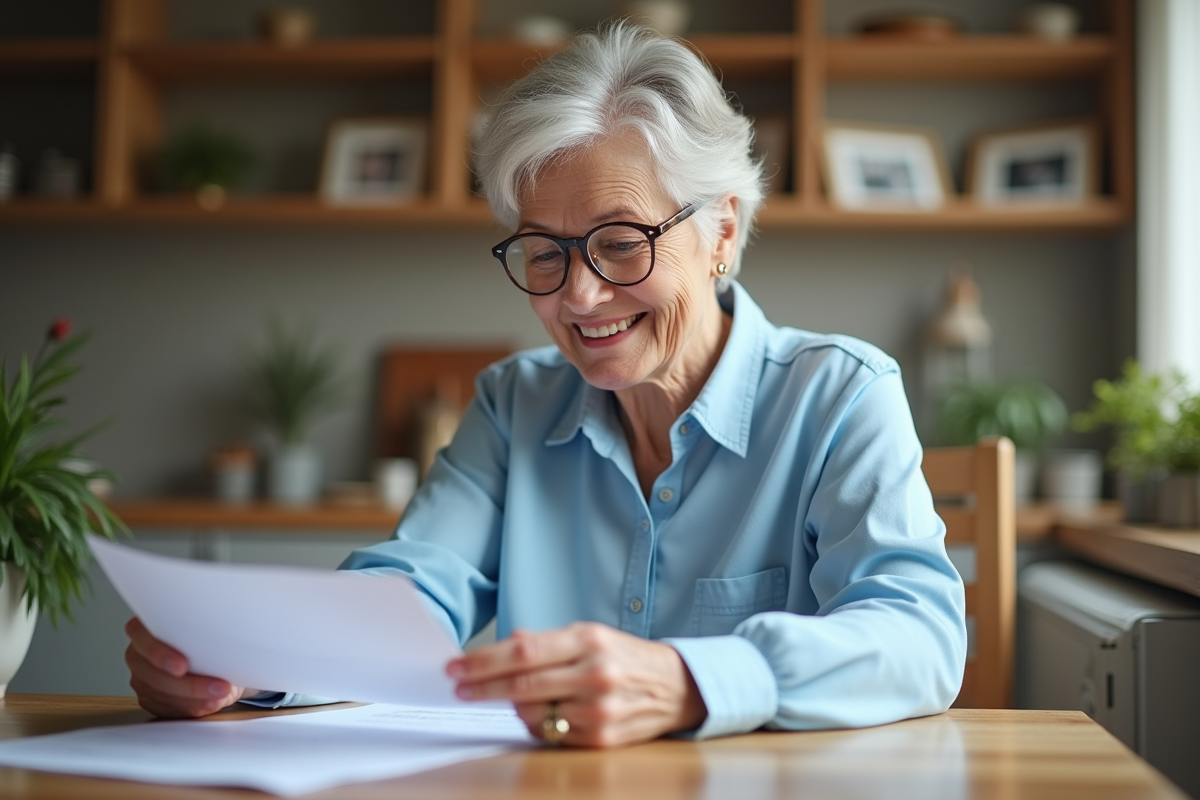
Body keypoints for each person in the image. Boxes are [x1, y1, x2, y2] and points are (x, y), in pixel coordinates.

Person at [124, 22, 966, 747]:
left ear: (721, 229)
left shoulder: (840, 395)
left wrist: (689, 680)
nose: (578, 294)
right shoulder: (513, 402)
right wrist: (257, 655)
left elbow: (918, 636)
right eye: (543, 250)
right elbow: (417, 591)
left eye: (622, 241)